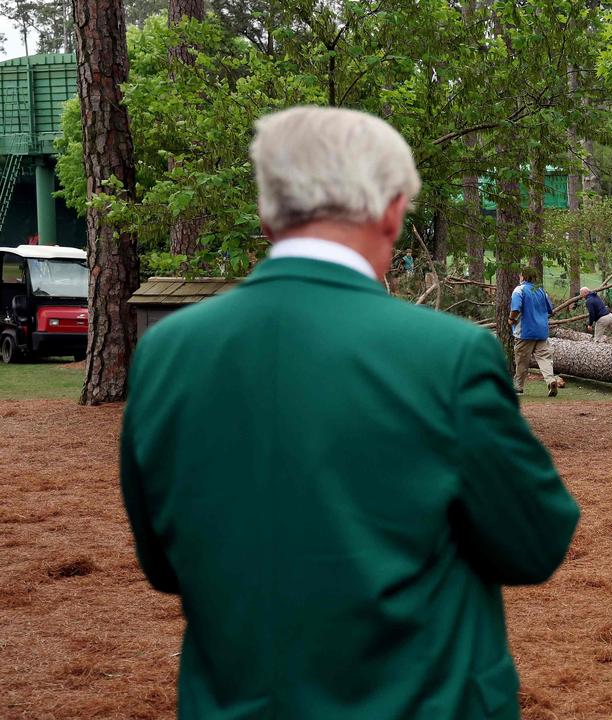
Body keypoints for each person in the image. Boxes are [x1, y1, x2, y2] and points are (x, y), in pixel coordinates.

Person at [119, 106, 579, 719]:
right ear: (391, 208)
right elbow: (534, 542)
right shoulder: (449, 355)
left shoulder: (166, 354)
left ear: (267, 212)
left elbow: (164, 564)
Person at [509, 266, 559, 396]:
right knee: (545, 359)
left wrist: (511, 319)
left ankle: (518, 387)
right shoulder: (541, 291)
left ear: (523, 277)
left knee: (521, 361)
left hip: (525, 332)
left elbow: (516, 308)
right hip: (541, 331)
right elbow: (550, 310)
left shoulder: (519, 290)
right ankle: (551, 380)